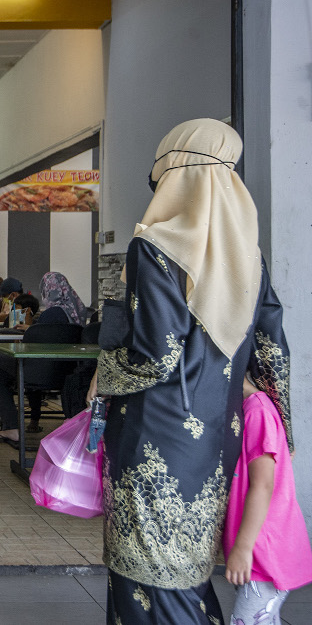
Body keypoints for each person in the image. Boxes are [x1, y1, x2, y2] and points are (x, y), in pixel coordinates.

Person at [90, 118, 289, 624]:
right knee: (186, 577)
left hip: (151, 436)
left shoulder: (155, 247)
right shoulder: (251, 258)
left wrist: (104, 373)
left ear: (173, 174)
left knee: (144, 580)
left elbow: (154, 356)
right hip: (215, 441)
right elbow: (272, 356)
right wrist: (273, 431)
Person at [221, 376, 312, 625]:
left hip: (265, 554)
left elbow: (263, 485)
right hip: (259, 553)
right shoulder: (245, 409)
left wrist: (243, 547)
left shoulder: (257, 410)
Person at [0, 292, 53, 441]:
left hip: (36, 368)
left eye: (17, 309)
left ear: (28, 310)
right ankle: (11, 427)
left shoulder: (42, 324)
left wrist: (29, 330)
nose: (14, 312)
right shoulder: (70, 315)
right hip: (51, 370)